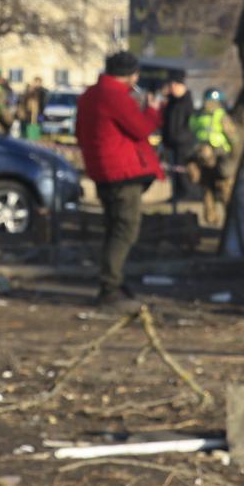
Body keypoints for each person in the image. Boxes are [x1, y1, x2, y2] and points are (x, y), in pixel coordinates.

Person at [76, 51, 164, 308]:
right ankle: (110, 287)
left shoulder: (89, 95)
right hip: (122, 173)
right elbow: (142, 128)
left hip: (102, 170)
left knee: (113, 228)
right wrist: (153, 110)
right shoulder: (115, 96)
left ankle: (114, 281)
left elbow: (80, 132)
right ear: (130, 74)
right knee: (126, 229)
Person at [190, 89, 239, 230]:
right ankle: (231, 222)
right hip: (220, 156)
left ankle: (211, 220)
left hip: (202, 157)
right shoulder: (220, 115)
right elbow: (233, 137)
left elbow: (192, 131)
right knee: (225, 189)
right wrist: (235, 154)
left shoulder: (197, 116)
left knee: (207, 190)